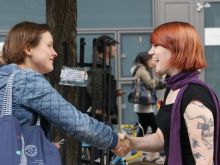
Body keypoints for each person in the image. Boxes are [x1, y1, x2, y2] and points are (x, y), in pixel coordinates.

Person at [0, 21, 130, 157]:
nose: (54, 53)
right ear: (28, 49)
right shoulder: (27, 80)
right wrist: (113, 140)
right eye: (49, 46)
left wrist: (44, 144)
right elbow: (75, 122)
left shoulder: (5, 76)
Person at [124, 21, 220, 165]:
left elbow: (205, 161)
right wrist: (130, 143)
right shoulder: (173, 89)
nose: (150, 52)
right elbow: (162, 138)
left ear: (177, 50)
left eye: (156, 45)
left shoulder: (194, 97)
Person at [130, 51, 165, 164]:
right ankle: (157, 152)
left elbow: (151, 86)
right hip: (144, 106)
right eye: (151, 59)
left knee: (143, 129)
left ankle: (136, 151)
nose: (153, 62)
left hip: (142, 106)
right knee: (156, 128)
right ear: (145, 60)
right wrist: (161, 80)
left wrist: (163, 84)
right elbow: (150, 84)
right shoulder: (142, 70)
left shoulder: (141, 69)